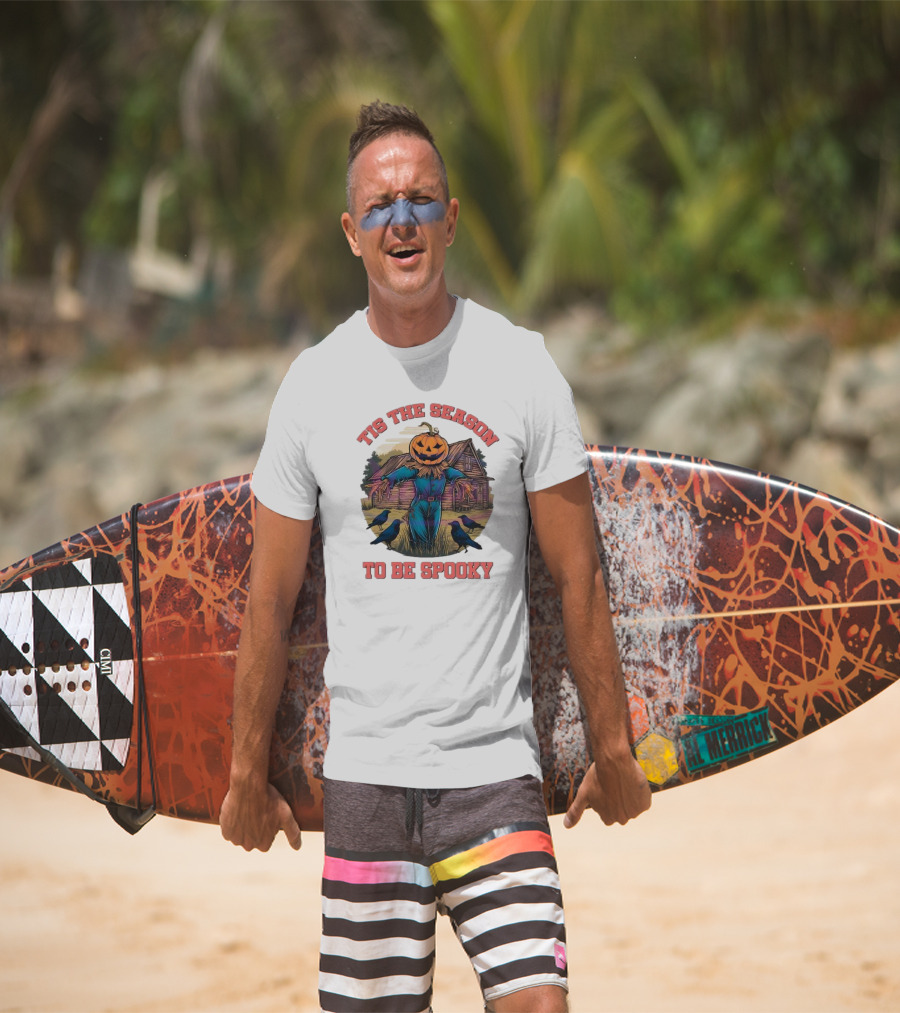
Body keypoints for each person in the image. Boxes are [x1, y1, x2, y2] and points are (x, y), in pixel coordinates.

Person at [220, 100, 651, 1013]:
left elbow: (579, 574)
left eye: (421, 200)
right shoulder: (314, 386)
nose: (402, 220)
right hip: (368, 778)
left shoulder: (522, 368)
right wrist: (242, 772)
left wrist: (612, 746)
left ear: (451, 219)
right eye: (380, 206)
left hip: (495, 772)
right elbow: (269, 599)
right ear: (351, 232)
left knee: (540, 1003)